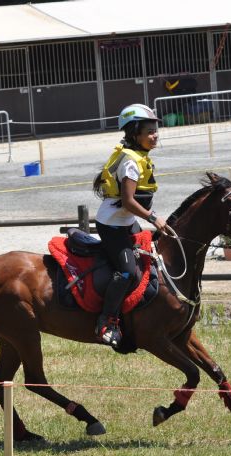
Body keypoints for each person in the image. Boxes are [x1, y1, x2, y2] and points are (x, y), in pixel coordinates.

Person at [91, 104, 169, 348]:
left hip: (125, 221)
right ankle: (107, 321)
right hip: (112, 225)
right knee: (126, 271)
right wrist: (153, 218)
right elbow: (128, 201)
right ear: (135, 133)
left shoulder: (139, 156)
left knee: (149, 255)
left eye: (156, 131)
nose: (154, 135)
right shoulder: (131, 162)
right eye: (149, 131)